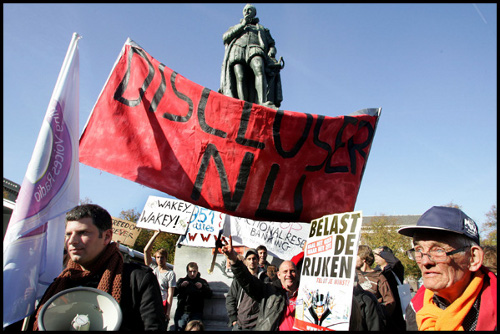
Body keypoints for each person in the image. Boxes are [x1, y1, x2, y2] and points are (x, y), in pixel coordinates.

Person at [29, 204, 166, 331]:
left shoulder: (137, 279)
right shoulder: (60, 282)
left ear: (107, 237)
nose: (72, 241)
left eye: (83, 233)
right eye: (68, 234)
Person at [398, 206, 497, 331]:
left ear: (473, 258)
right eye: (419, 250)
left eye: (438, 250)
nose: (425, 261)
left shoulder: (493, 305)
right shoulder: (416, 308)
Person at [219, 236, 299, 331]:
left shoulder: (305, 293)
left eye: (292, 271)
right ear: (279, 275)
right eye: (285, 272)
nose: (289, 275)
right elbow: (247, 282)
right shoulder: (271, 291)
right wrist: (233, 259)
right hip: (240, 324)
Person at [219, 4, 283, 107]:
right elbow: (225, 37)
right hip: (238, 49)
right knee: (240, 76)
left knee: (259, 69)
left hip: (255, 48)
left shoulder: (262, 29)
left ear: (254, 13)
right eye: (245, 10)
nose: (247, 12)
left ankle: (262, 102)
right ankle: (243, 104)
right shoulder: (236, 27)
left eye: (249, 10)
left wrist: (272, 52)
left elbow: (272, 45)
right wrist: (242, 25)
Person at [226, 248, 265, 330]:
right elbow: (230, 298)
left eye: (254, 258)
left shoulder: (264, 278)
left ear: (258, 260)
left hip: (258, 324)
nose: (252, 261)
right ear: (246, 261)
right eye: (249, 259)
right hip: (240, 323)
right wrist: (233, 319)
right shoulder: (238, 279)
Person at [144, 230, 177, 325]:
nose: (160, 260)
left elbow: (170, 294)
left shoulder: (170, 274)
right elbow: (146, 251)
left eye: (162, 257)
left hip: (162, 303)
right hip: (150, 301)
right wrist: (155, 235)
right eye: (158, 257)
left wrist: (168, 311)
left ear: (166, 258)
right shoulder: (153, 268)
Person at [356, 245, 396, 319]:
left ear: (363, 258)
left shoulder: (379, 277)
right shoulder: (353, 275)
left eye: (355, 255)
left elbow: (390, 302)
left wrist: (378, 317)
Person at [373, 246, 406, 330]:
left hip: (397, 310)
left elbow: (395, 262)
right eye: (375, 255)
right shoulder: (375, 273)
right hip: (382, 310)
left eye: (378, 255)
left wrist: (381, 252)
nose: (375, 256)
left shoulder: (395, 269)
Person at [174, 262, 213, 331]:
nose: (192, 274)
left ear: (197, 271)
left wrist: (202, 287)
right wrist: (181, 286)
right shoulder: (182, 281)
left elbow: (210, 295)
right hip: (182, 311)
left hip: (196, 313)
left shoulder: (202, 282)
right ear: (187, 271)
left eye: (194, 271)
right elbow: (173, 293)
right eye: (190, 271)